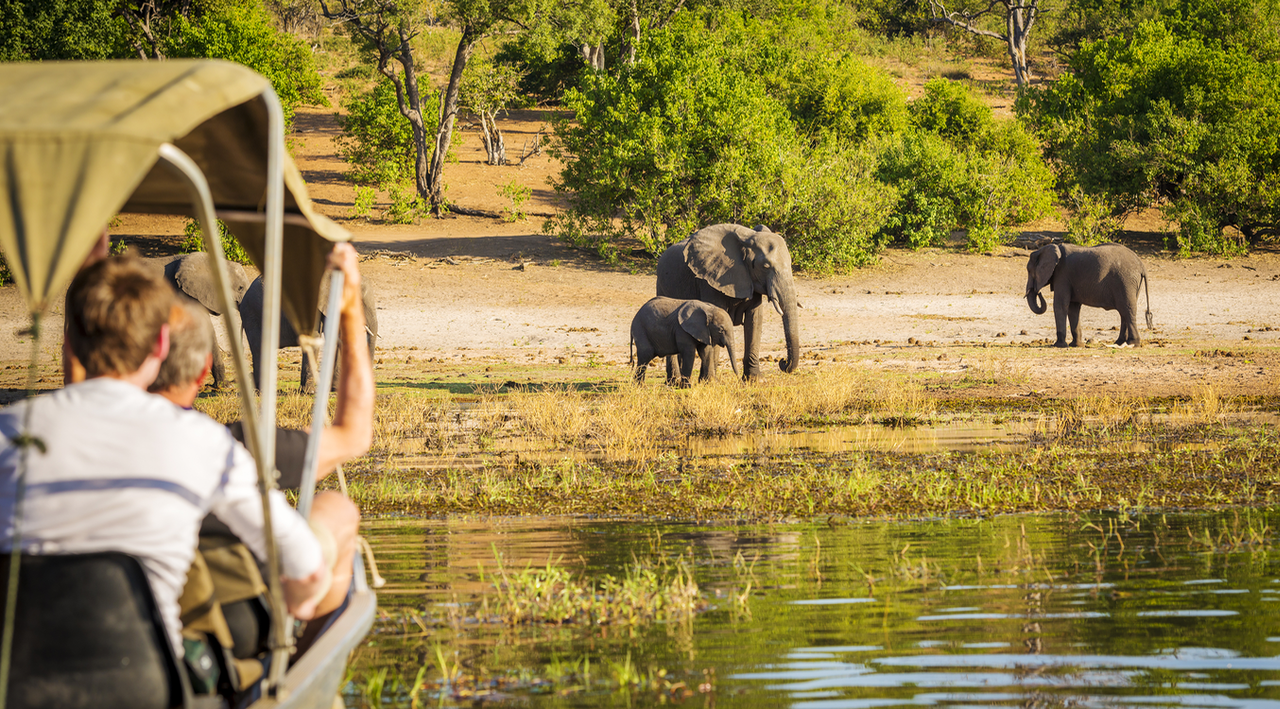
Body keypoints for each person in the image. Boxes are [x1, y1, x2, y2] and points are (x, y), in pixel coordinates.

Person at [0, 254, 329, 656]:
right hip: (151, 680)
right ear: (161, 344)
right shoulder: (201, 441)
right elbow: (306, 565)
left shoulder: (7, 434)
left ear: (68, 342)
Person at [151, 243, 371, 663]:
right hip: (201, 650)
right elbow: (355, 435)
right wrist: (350, 312)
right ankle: (297, 668)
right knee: (335, 510)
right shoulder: (222, 449)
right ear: (203, 372)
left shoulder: (17, 439)